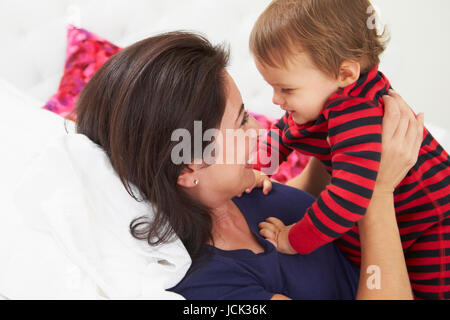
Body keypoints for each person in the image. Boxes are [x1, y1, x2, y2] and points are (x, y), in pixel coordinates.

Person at [75, 31, 417, 300]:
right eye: (241, 122)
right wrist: (377, 194)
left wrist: (348, 147)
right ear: (189, 166)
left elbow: (307, 211)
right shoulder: (213, 286)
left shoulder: (232, 191)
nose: (257, 130)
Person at [249, 0, 450, 299]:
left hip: (433, 220)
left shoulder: (355, 113)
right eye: (273, 88)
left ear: (345, 74)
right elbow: (284, 132)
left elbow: (349, 198)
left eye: (287, 89)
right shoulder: (331, 94)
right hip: (399, 210)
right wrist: (256, 168)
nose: (277, 100)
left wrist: (293, 239)